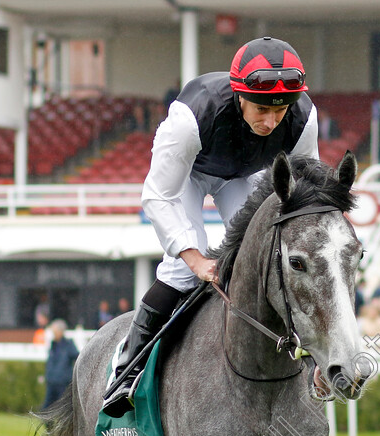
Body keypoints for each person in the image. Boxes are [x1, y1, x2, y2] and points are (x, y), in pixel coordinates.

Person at [102, 36, 319, 416]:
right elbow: (158, 196)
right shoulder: (192, 117)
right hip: (189, 173)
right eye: (261, 109)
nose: (270, 122)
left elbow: (304, 190)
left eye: (280, 110)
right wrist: (195, 259)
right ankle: (126, 367)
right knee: (183, 269)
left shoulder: (304, 117)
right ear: (239, 95)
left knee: (266, 249)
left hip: (243, 175)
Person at [42, 319, 79, 409]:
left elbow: (77, 357)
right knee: (46, 408)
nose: (53, 334)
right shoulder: (53, 345)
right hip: (51, 381)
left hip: (63, 382)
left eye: (54, 331)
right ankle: (49, 423)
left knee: (63, 407)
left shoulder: (68, 344)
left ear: (60, 331)